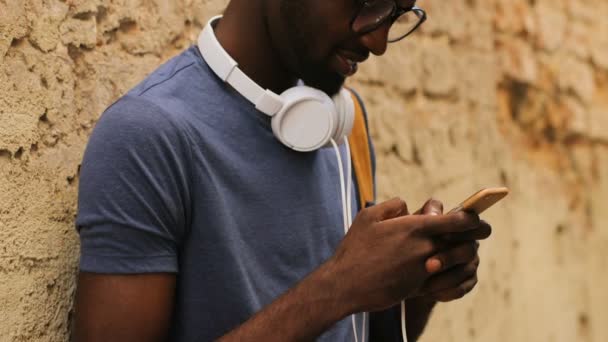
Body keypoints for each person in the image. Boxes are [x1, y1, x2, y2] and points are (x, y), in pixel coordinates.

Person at [72, 0, 492, 341]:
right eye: (369, 3)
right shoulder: (149, 135)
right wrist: (336, 288)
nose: (379, 39)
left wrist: (416, 285)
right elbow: (333, 296)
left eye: (397, 12)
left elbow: (355, 328)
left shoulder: (342, 126)